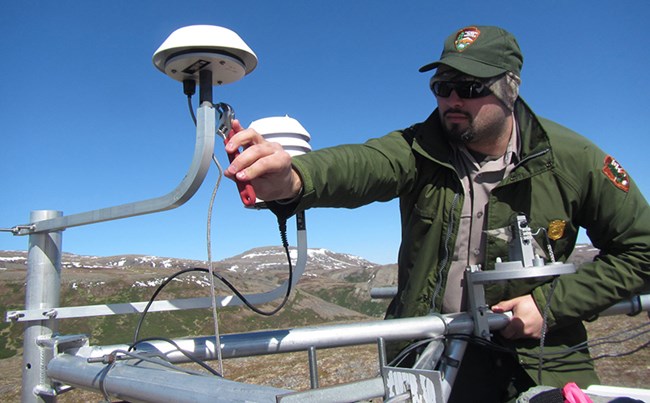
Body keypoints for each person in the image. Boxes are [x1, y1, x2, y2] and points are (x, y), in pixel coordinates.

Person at [224, 25, 650, 402]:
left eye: (468, 87)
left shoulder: (572, 160)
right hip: (433, 353)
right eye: (442, 86)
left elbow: (642, 250)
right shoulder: (420, 148)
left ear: (510, 87)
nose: (451, 99)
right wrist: (294, 180)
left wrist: (549, 305)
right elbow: (364, 163)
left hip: (542, 357)